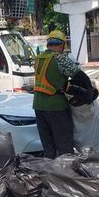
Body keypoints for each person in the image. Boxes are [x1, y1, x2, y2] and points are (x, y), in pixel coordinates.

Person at [33, 30, 82, 158]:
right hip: (57, 107)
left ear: (48, 44)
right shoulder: (60, 59)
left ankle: (50, 174)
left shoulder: (38, 59)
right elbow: (79, 76)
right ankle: (66, 174)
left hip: (38, 106)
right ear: (62, 46)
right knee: (64, 145)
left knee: (48, 146)